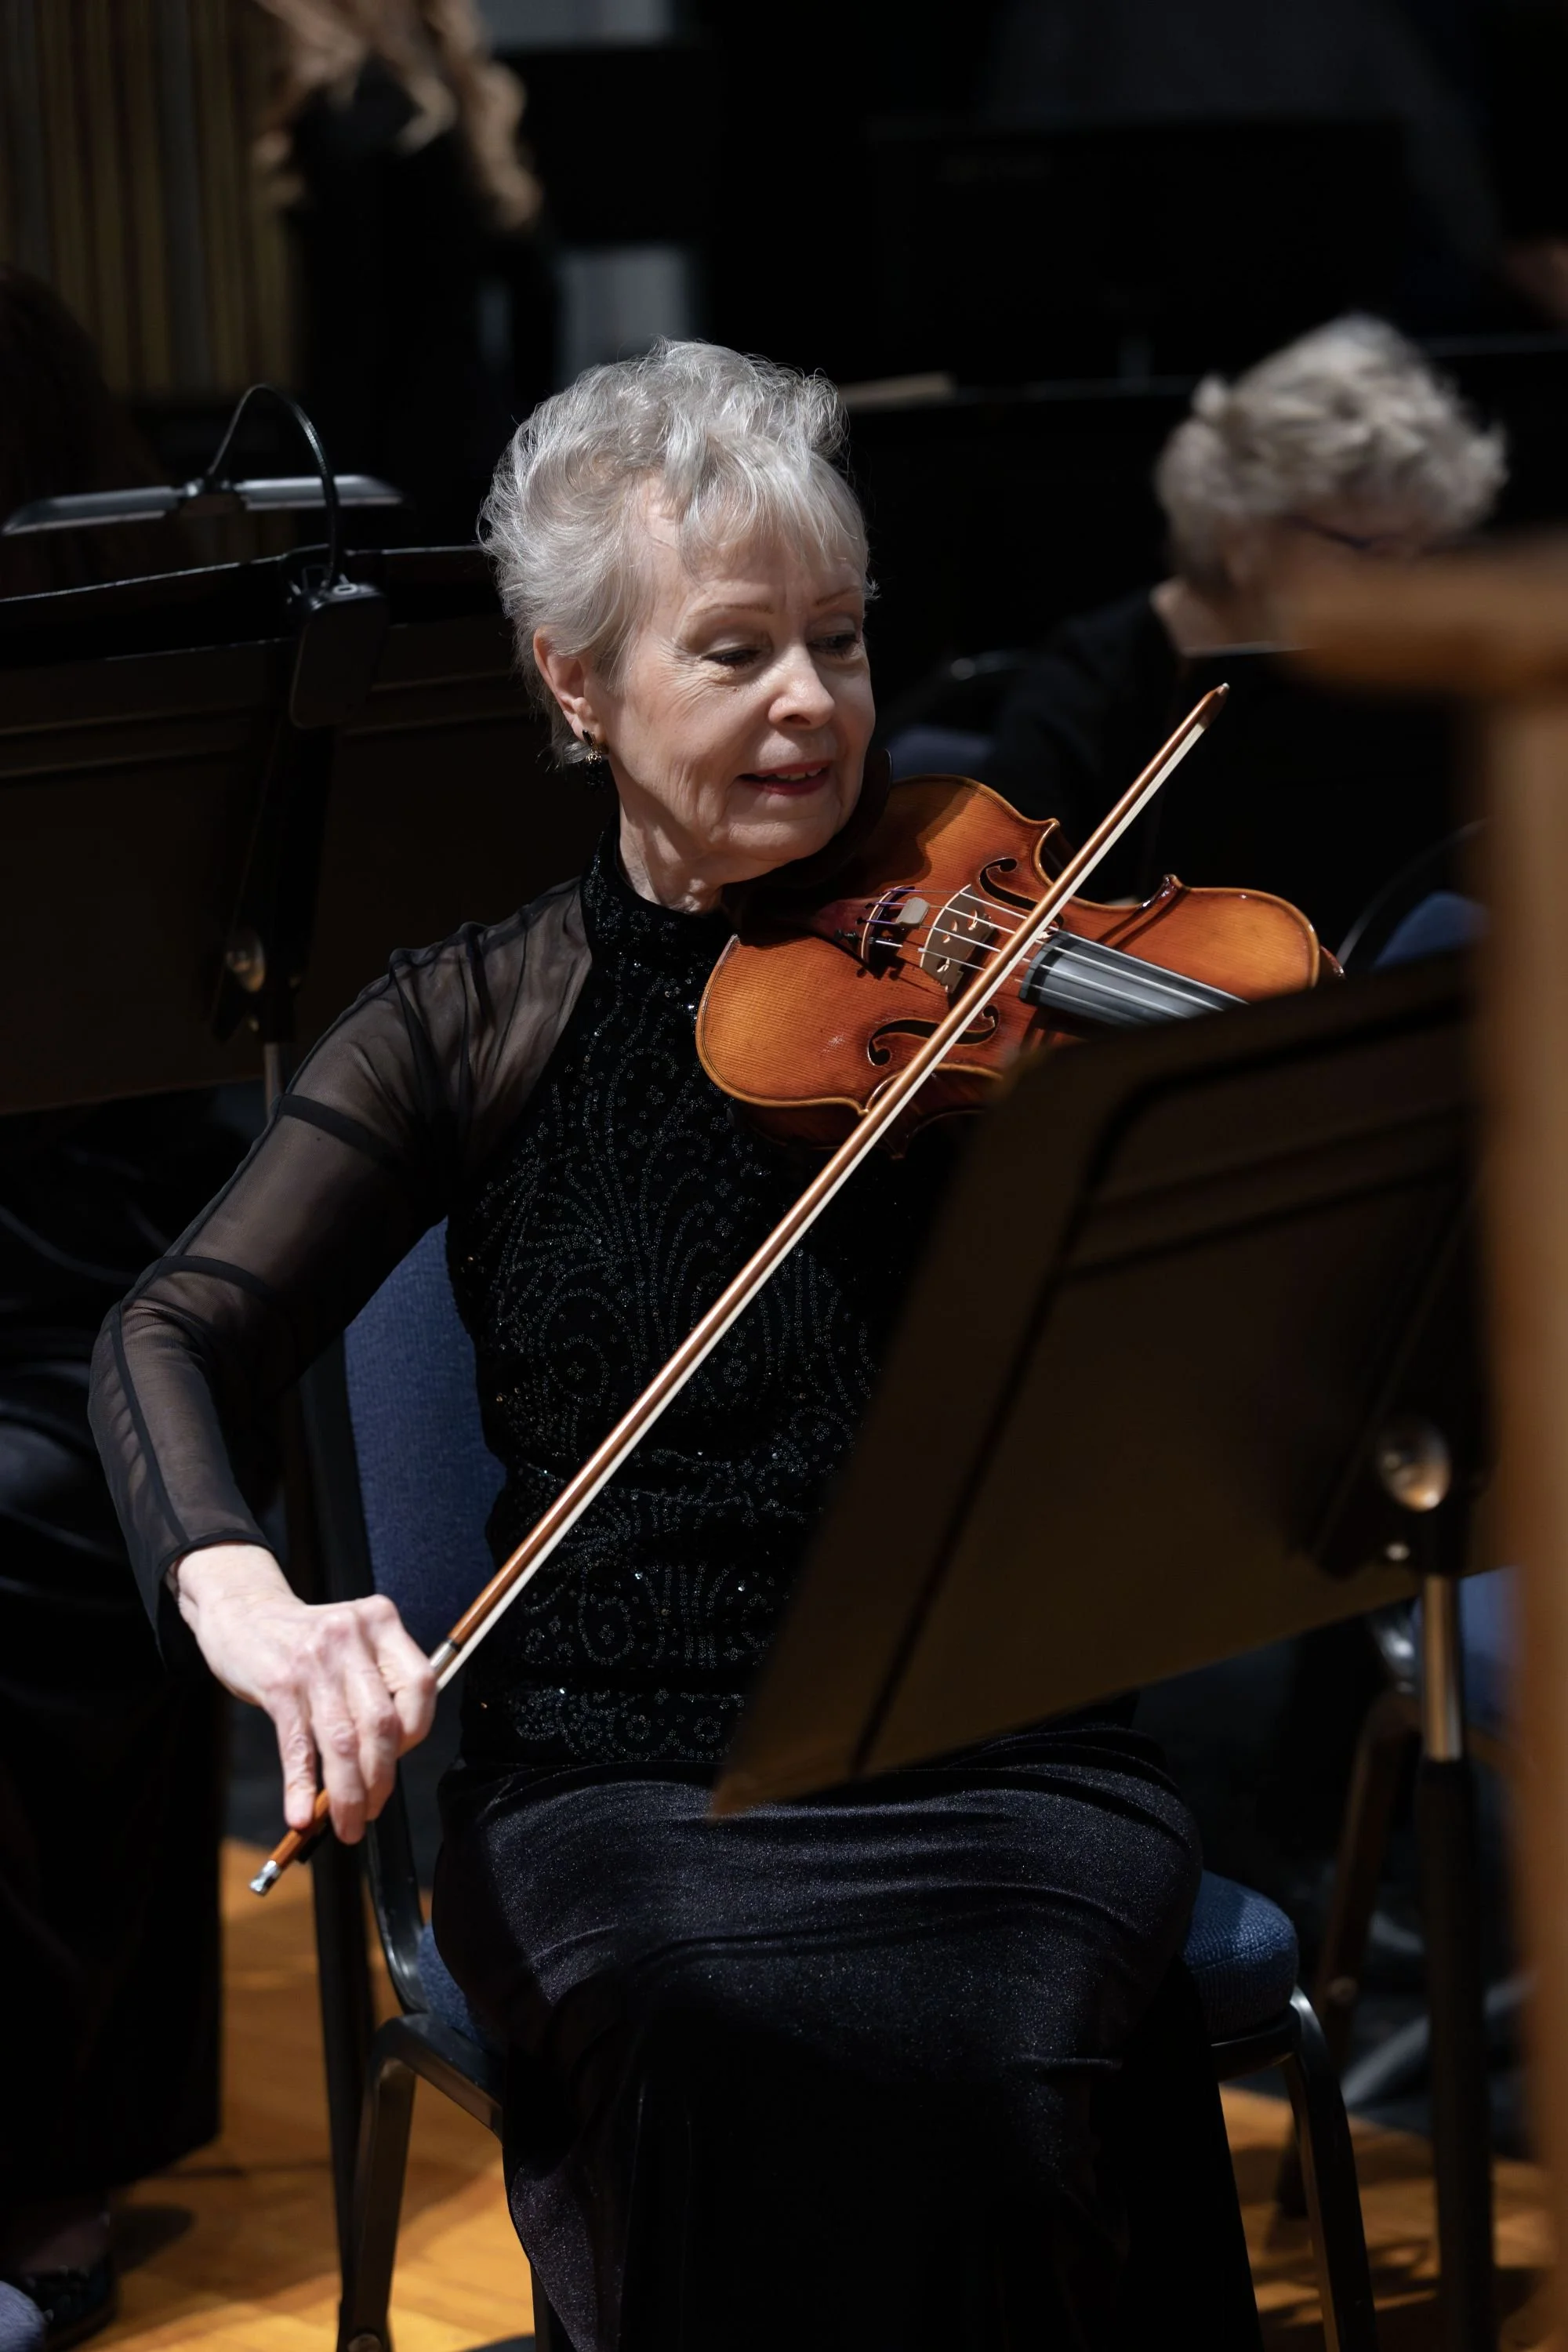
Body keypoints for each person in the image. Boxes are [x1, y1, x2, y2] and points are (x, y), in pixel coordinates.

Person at [90, 342, 1240, 2351]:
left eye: (836, 637)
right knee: (721, 2051)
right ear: (573, 683)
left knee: (982, 2069)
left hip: (998, 1748)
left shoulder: (1010, 983)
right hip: (624, 1778)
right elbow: (172, 1325)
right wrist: (249, 1598)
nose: (810, 700)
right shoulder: (478, 1012)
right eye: (732, 653)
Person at [0, 269, 247, 2349]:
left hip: (71, 1281)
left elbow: (141, 1153)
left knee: (14, 1525)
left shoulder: (116, 688)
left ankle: (41, 2169)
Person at [985, 315, 1505, 919]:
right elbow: (1004, 913)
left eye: (1426, 553)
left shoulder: (1423, 667)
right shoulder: (1083, 691)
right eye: (1372, 551)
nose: (1404, 586)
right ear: (1241, 529)